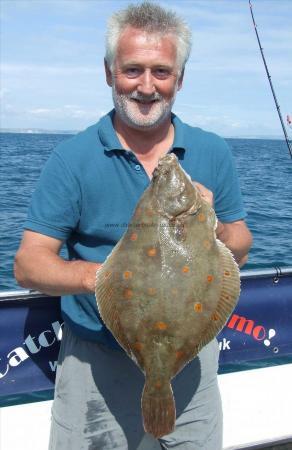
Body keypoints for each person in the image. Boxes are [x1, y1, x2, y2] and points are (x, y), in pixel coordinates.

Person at [14, 2, 252, 449]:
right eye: (132, 70)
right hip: (95, 362)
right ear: (109, 73)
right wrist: (108, 282)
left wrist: (212, 227)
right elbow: (28, 266)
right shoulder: (73, 157)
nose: (146, 86)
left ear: (179, 79)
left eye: (161, 72)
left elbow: (240, 245)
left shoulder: (214, 150)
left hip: (191, 359)